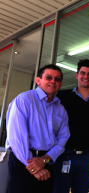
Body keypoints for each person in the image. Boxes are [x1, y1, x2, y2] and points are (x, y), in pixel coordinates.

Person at [6, 64, 70, 193]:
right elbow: (16, 138)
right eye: (49, 77)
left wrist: (45, 159)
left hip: (47, 162)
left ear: (61, 84)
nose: (53, 81)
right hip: (22, 161)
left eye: (57, 79)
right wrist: (33, 167)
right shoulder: (24, 100)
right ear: (38, 80)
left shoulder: (60, 109)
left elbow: (63, 138)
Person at [53, 59, 89, 193]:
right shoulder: (62, 96)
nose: (85, 77)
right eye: (82, 73)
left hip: (88, 158)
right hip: (64, 156)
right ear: (77, 75)